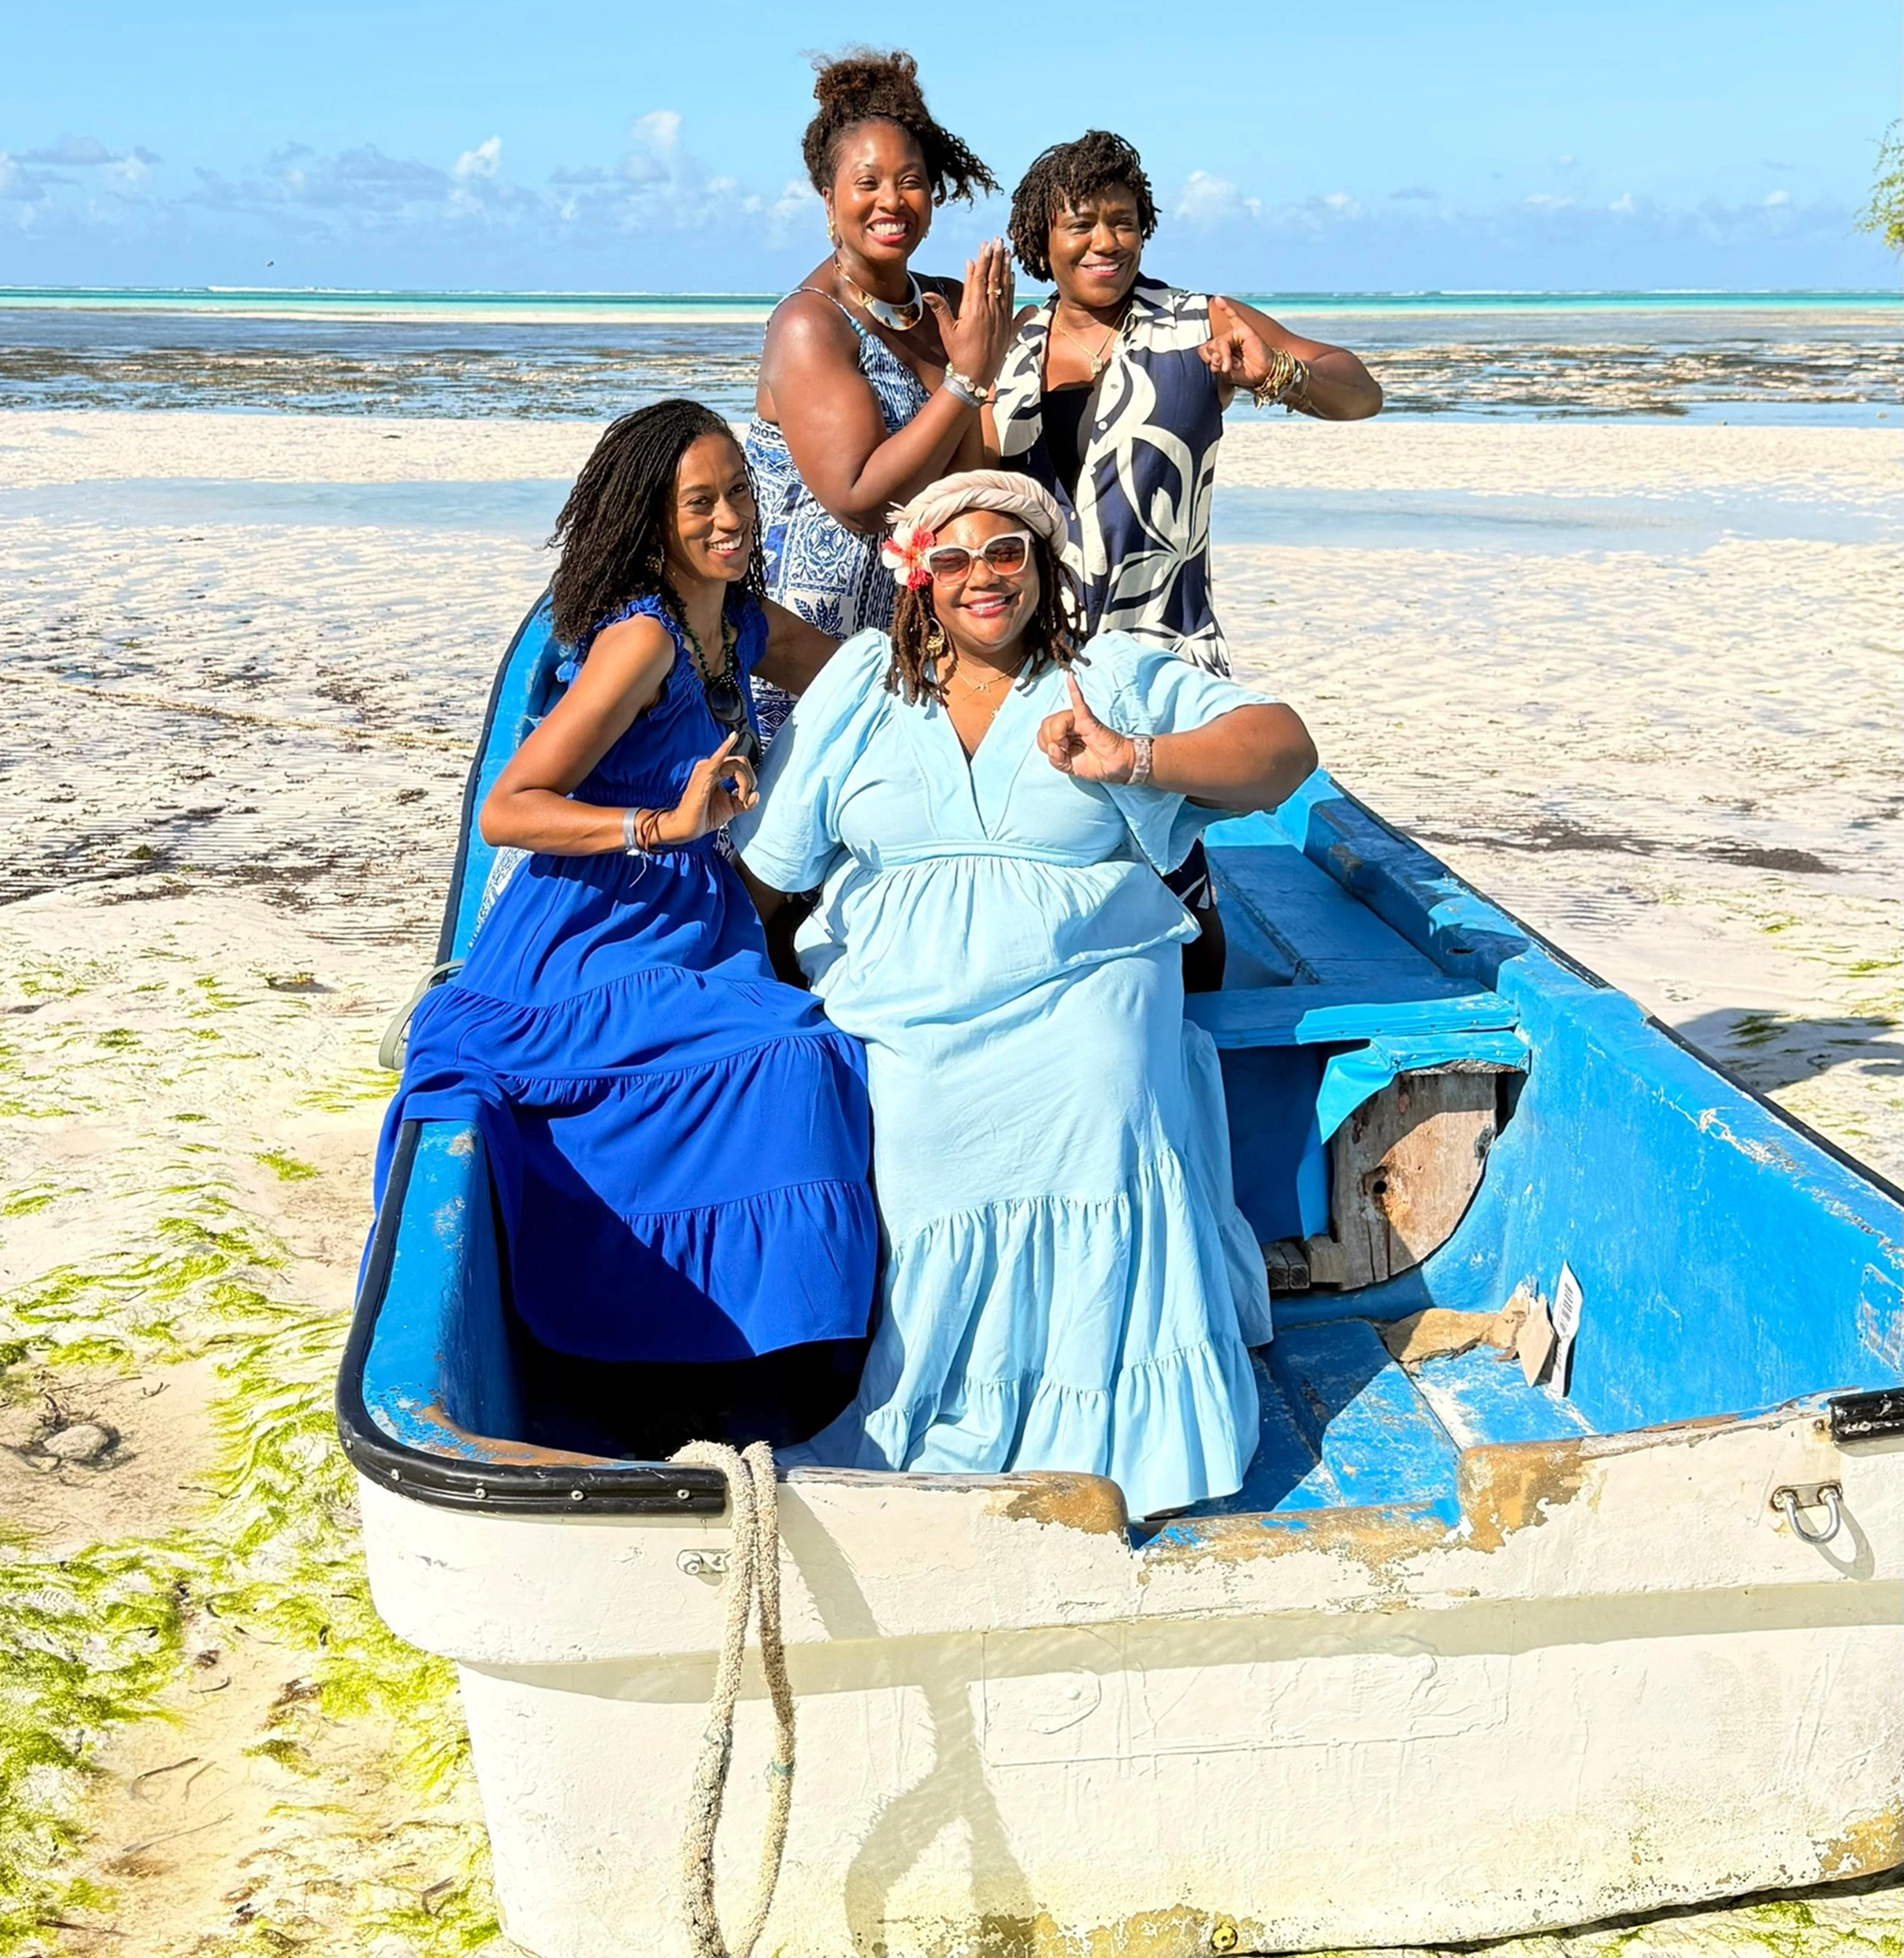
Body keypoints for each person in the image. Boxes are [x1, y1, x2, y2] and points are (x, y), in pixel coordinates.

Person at [735, 472, 1318, 1521]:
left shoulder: (1111, 671)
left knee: (1104, 1091)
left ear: (1042, 564)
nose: (981, 579)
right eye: (951, 561)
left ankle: (1104, 1434)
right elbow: (770, 866)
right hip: (898, 995)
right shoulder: (866, 679)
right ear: (918, 580)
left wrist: (1132, 758)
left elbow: (1282, 750)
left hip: (1087, 975)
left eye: (1005, 553)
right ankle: (933, 1413)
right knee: (908, 1130)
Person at [376, 399, 876, 1442]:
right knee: (793, 1056)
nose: (734, 515)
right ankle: (662, 1345)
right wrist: (664, 823)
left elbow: (862, 680)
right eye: (703, 502)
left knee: (796, 1054)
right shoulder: (640, 639)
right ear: (653, 524)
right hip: (592, 927)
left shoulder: (738, 619)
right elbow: (508, 809)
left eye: (741, 489)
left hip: (693, 920)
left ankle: (760, 1349)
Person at [989, 128, 1383, 986]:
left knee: (1179, 915)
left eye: (1123, 221)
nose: (1104, 241)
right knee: (1053, 883)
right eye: (1080, 223)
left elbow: (1358, 391)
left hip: (1158, 645)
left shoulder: (1197, 321)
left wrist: (1275, 372)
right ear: (1039, 238)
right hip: (1026, 654)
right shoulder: (1009, 341)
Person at [744, 48, 1017, 741]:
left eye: (911, 181)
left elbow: (973, 474)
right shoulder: (811, 322)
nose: (891, 201)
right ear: (828, 197)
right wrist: (964, 380)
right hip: (805, 650)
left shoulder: (950, 307)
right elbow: (860, 500)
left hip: (920, 635)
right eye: (867, 182)